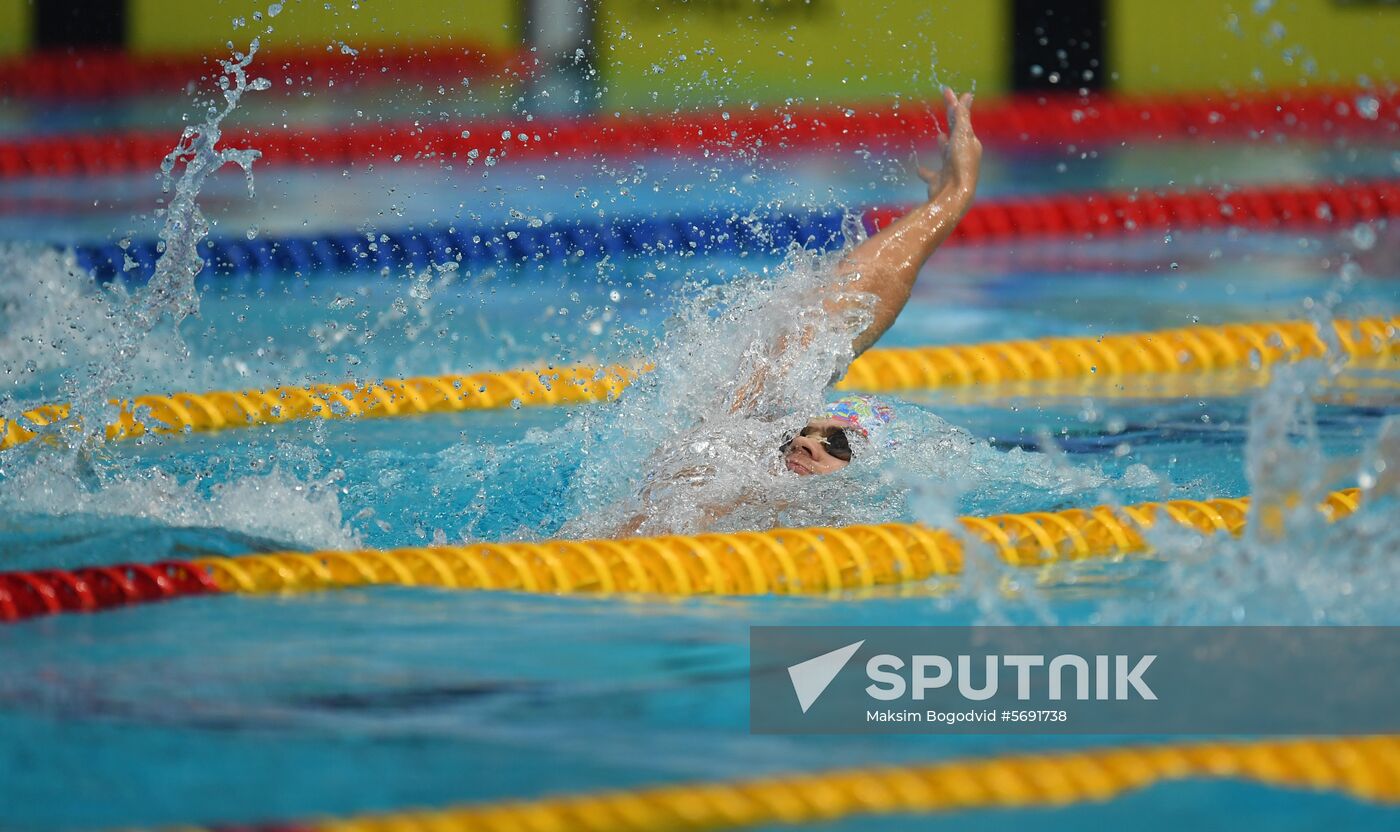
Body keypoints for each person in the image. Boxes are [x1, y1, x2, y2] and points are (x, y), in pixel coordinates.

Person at [593, 87, 982, 537]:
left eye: (839, 443)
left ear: (877, 476)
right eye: (797, 432)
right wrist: (952, 200)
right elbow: (827, 323)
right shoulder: (716, 461)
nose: (802, 443)